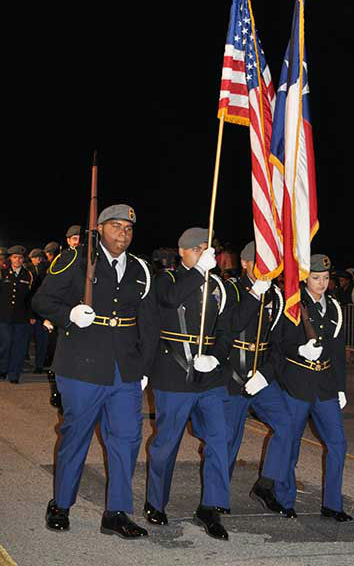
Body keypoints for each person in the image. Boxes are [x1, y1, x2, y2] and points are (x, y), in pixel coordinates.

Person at [33, 204, 153, 539]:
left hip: (125, 369)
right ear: (99, 228)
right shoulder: (75, 260)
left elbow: (147, 321)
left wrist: (143, 367)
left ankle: (115, 512)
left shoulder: (141, 269)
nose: (122, 234)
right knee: (76, 437)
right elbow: (41, 301)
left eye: (128, 228)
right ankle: (60, 503)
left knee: (127, 440)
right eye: (115, 226)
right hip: (81, 366)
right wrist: (70, 313)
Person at [142, 227, 261, 541]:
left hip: (209, 376)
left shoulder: (219, 286)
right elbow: (168, 300)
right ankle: (155, 502)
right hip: (173, 374)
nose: (204, 253)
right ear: (183, 251)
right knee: (166, 443)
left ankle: (211, 506)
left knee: (219, 440)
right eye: (197, 249)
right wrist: (196, 273)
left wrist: (217, 357)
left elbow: (229, 328)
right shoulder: (167, 278)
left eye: (207, 249)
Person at [246, 254, 352, 522]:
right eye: (316, 278)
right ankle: (283, 498)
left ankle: (332, 504)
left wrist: (341, 388)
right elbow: (278, 345)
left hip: (325, 385)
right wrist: (300, 350)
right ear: (305, 278)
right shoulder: (292, 304)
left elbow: (338, 352)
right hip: (296, 383)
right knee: (290, 443)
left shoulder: (335, 308)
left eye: (326, 278)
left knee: (338, 444)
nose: (322, 283)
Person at [207, 241, 294, 518]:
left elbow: (280, 345)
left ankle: (266, 485)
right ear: (245, 263)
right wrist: (254, 296)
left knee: (287, 426)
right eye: (260, 262)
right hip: (232, 375)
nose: (267, 269)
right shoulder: (230, 290)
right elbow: (228, 328)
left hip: (262, 376)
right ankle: (217, 498)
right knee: (228, 439)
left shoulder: (278, 297)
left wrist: (266, 375)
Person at [0, 245, 35, 383]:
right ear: (10, 259)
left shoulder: (29, 275)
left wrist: (32, 315)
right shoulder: (3, 273)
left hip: (22, 317)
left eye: (20, 258)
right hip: (4, 316)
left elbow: (31, 298)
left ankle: (14, 374)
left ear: (23, 260)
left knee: (19, 347)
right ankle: (3, 369)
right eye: (15, 257)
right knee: (5, 343)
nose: (17, 260)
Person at [26, 248, 49, 373]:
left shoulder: (44, 270)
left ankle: (38, 365)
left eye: (38, 258)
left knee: (40, 341)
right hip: (37, 312)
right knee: (35, 341)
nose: (35, 261)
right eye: (34, 258)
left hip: (40, 312)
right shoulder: (29, 271)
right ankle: (35, 363)